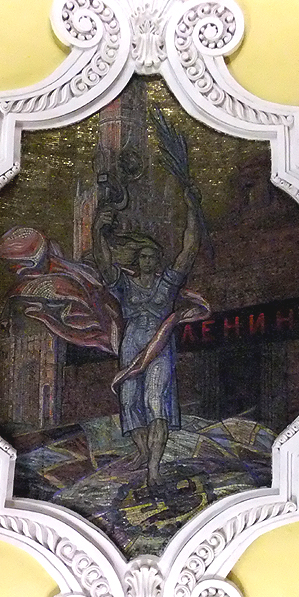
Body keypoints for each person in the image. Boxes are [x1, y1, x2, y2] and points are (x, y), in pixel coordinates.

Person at [92, 185, 202, 487]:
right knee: (129, 402)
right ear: (137, 260)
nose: (149, 262)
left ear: (158, 261)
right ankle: (143, 452)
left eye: (153, 257)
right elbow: (103, 262)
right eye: (144, 257)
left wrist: (192, 209)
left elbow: (189, 249)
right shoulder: (124, 285)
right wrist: (97, 230)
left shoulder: (167, 283)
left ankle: (154, 468)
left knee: (155, 401)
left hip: (160, 344)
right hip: (131, 343)